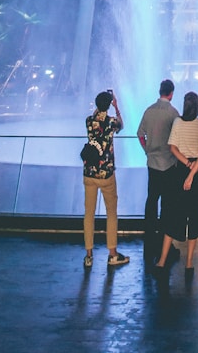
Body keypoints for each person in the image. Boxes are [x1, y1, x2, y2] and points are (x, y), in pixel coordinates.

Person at [155, 91, 198, 277]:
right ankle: (189, 263)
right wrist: (193, 172)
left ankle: (162, 261)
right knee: (195, 216)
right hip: (197, 172)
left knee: (173, 214)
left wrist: (186, 167)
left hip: (180, 170)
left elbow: (172, 147)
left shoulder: (177, 123)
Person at [82, 89, 130, 270]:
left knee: (89, 213)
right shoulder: (111, 122)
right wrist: (116, 107)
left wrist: (101, 107)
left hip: (89, 173)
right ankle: (112, 254)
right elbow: (122, 125)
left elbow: (95, 119)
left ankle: (88, 255)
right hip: (107, 174)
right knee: (111, 213)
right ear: (109, 104)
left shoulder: (89, 121)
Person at [137, 78, 179, 264]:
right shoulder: (173, 113)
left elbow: (140, 134)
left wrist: (147, 149)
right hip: (169, 164)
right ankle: (165, 242)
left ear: (159, 91)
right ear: (171, 93)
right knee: (168, 204)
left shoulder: (148, 111)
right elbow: (176, 140)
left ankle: (149, 238)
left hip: (152, 163)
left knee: (151, 200)